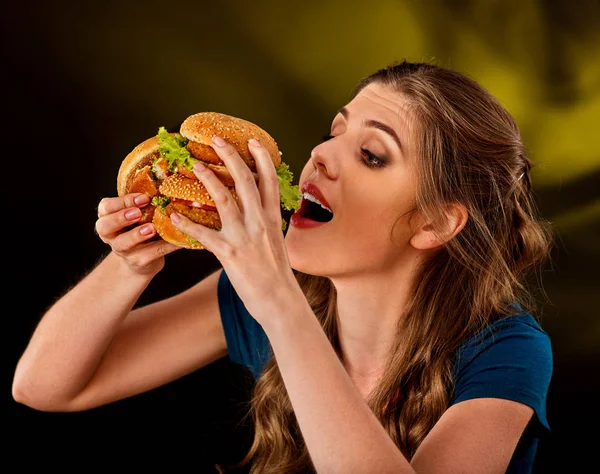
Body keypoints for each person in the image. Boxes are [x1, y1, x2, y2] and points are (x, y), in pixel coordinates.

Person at [12, 60, 554, 474]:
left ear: (435, 222)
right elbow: (44, 386)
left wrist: (278, 303)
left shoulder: (504, 349)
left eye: (372, 155)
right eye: (335, 130)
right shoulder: (265, 297)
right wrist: (131, 264)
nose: (321, 154)